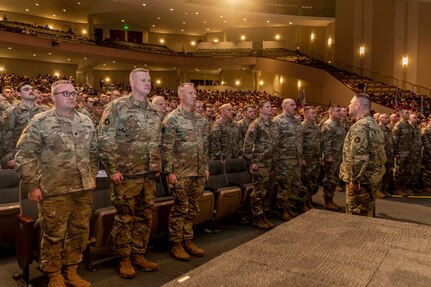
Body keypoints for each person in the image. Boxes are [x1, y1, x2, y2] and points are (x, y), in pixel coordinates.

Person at [14, 80, 98, 287]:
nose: (71, 96)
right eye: (65, 93)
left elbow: (94, 153)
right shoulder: (40, 121)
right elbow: (24, 155)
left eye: (73, 93)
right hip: (54, 189)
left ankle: (71, 270)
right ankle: (53, 274)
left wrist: (92, 175)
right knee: (54, 234)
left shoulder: (86, 120)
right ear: (53, 97)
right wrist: (33, 185)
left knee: (79, 231)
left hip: (82, 188)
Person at [98, 68, 161, 279]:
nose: (148, 83)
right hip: (125, 174)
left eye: (149, 80)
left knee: (144, 216)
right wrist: (112, 169)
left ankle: (138, 254)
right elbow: (105, 139)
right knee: (125, 217)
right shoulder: (117, 107)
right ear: (132, 83)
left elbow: (156, 142)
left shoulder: (154, 110)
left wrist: (157, 166)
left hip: (148, 174)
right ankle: (123, 258)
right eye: (143, 80)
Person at [161, 83, 209, 261]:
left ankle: (187, 239)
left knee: (193, 208)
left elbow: (205, 147)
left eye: (195, 93)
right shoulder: (171, 119)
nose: (194, 95)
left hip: (197, 171)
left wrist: (205, 168)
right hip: (180, 172)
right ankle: (176, 243)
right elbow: (166, 148)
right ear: (181, 96)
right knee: (180, 208)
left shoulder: (201, 120)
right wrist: (169, 171)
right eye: (190, 93)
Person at [340, 93, 386, 217]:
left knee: (357, 216)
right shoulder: (372, 124)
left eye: (351, 103)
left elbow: (359, 156)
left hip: (361, 181)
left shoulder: (360, 126)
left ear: (357, 105)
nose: (348, 105)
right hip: (371, 177)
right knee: (367, 211)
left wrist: (355, 180)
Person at [243, 100, 278, 230]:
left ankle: (264, 214)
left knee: (269, 190)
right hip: (260, 163)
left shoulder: (273, 124)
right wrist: (251, 162)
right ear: (260, 109)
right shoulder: (255, 124)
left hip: (272, 162)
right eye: (267, 106)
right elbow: (247, 146)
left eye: (270, 106)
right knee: (259, 191)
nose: (270, 108)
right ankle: (257, 217)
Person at [273, 98, 303, 221]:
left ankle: (289, 207)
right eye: (291, 105)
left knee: (295, 185)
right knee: (284, 186)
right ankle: (282, 210)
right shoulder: (277, 121)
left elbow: (300, 140)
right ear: (284, 106)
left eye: (295, 105)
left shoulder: (297, 121)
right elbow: (274, 142)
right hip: (284, 159)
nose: (294, 107)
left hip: (296, 158)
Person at [2, 82, 45, 169]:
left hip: (39, 154)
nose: (31, 91)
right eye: (26, 89)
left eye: (32, 89)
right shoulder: (12, 111)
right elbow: (7, 135)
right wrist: (10, 157)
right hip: (19, 154)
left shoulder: (42, 111)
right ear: (19, 94)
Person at [320, 105, 344, 211]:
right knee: (329, 179)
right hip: (331, 157)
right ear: (331, 112)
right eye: (337, 111)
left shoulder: (338, 124)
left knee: (334, 179)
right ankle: (328, 201)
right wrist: (328, 155)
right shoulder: (328, 125)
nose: (340, 113)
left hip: (338, 156)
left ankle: (331, 200)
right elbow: (325, 142)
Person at [301, 106, 321, 209]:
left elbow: (318, 142)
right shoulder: (303, 127)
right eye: (312, 113)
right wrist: (301, 158)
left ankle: (309, 201)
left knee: (312, 181)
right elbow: (299, 144)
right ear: (306, 114)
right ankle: (303, 203)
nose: (315, 115)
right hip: (307, 159)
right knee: (305, 181)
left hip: (315, 158)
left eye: (315, 113)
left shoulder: (316, 126)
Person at [393, 109, 413, 196]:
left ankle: (403, 187)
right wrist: (395, 152)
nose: (408, 114)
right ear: (401, 114)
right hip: (400, 152)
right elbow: (395, 139)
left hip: (409, 151)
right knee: (399, 171)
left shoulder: (409, 125)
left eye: (408, 112)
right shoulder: (398, 125)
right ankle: (398, 189)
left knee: (407, 170)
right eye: (406, 112)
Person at [378, 114, 395, 197]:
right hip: (380, 155)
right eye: (386, 118)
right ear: (380, 119)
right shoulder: (377, 129)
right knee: (380, 173)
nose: (387, 119)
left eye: (388, 118)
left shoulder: (388, 130)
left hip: (388, 154)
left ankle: (384, 189)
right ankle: (378, 190)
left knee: (387, 173)